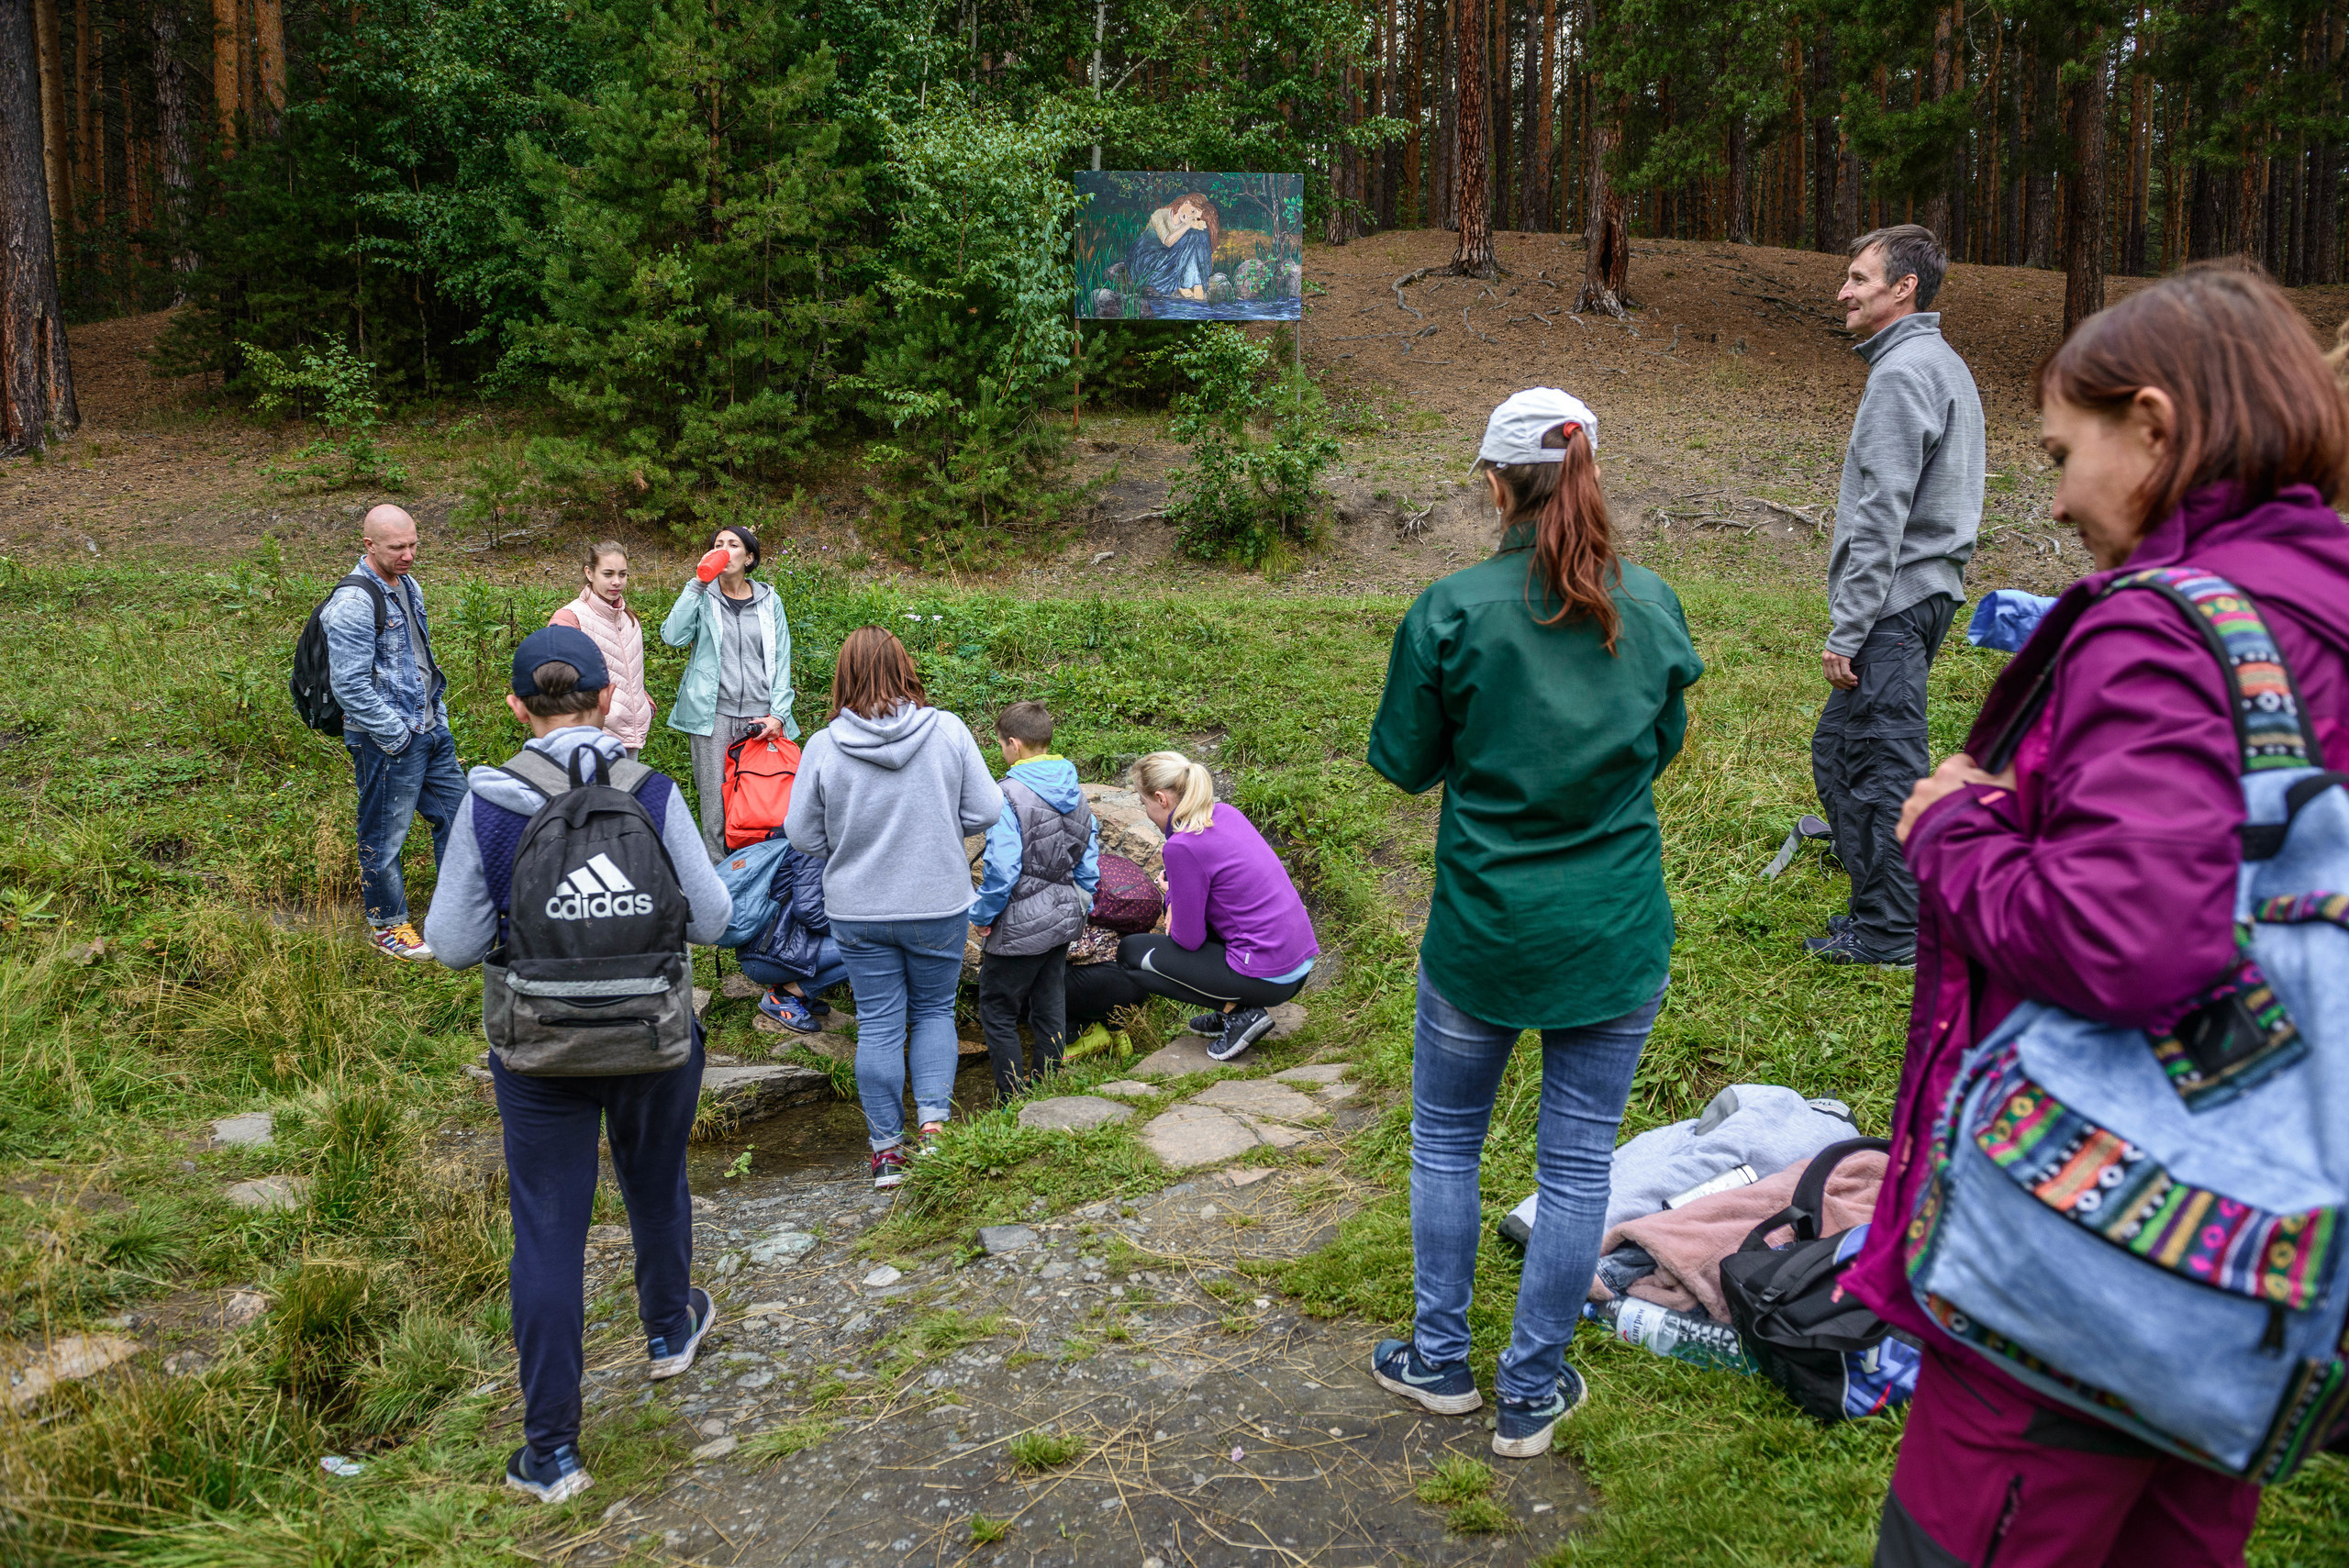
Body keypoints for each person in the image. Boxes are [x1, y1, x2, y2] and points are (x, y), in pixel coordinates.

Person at [1850, 265, 2349, 1568]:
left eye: (2069, 454)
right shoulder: (2331, 612)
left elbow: (2123, 934)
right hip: (2248, 1261)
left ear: (2159, 426)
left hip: (2083, 1268)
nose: (2062, 499)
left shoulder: (2167, 629)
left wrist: (1954, 823)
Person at [1364, 387, 1704, 1460]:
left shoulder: (1451, 607)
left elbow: (1407, 761)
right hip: (1610, 928)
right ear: (1590, 471)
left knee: (1447, 1143)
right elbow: (1660, 746)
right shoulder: (1650, 605)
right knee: (1575, 1168)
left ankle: (1435, 1358)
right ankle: (1531, 1390)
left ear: (1496, 484)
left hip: (1481, 935)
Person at [421, 626, 735, 1506]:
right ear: (606, 700)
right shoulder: (653, 790)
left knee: (548, 1231)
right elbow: (712, 922)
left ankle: (551, 1451)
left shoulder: (490, 801)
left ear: (518, 707)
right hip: (651, 1038)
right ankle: (670, 1331)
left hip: (540, 1051)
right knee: (654, 1178)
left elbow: (448, 944)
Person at [1809, 223, 1985, 968]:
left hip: (1893, 603)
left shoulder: (1904, 371)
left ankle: (1892, 932)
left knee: (1882, 765)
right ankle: (1879, 903)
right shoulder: (1937, 363)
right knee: (1839, 751)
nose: (1843, 292)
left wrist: (1848, 626)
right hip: (1922, 596)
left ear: (1902, 288)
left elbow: (1884, 510)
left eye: (1858, 278)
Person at [785, 628, 1004, 1189]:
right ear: (906, 668)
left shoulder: (823, 745)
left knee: (880, 1025)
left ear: (844, 676)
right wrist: (939, 826)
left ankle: (887, 1154)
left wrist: (849, 837)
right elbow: (985, 809)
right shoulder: (948, 730)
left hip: (859, 910)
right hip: (937, 903)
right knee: (932, 1012)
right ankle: (934, 1132)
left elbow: (802, 835)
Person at [322, 503, 467, 962]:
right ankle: (388, 924)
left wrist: (435, 719)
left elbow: (419, 661)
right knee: (385, 833)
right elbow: (348, 684)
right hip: (386, 739)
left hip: (428, 729)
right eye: (397, 547)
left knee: (459, 814)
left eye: (413, 545)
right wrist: (398, 735)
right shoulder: (352, 603)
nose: (408, 555)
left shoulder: (407, 586)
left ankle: (455, 912)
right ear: (369, 546)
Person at [1116, 752, 1318, 1063]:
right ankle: (1230, 1010)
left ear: (1161, 798)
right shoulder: (1225, 813)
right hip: (1297, 961)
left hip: (1270, 977)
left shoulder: (1181, 846)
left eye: (1145, 804)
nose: (1147, 812)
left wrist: (1171, 898)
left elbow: (1187, 939)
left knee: (1131, 954)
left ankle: (1238, 1013)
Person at [970, 701, 1100, 1101]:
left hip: (1019, 924)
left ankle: (1011, 1101)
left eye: (1001, 745)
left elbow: (1004, 868)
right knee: (1048, 1007)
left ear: (1013, 744)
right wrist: (1079, 903)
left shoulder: (1006, 794)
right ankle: (1045, 1092)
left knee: (997, 1010)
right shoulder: (1074, 789)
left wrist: (982, 913)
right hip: (1063, 919)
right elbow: (1090, 859)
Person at [662, 525, 797, 859]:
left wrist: (778, 715)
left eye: (732, 544)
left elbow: (782, 658)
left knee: (761, 807)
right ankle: (721, 893)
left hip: (760, 719)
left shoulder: (769, 600)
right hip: (713, 717)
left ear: (749, 557)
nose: (723, 549)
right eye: (717, 544)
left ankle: (762, 879)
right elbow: (672, 637)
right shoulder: (702, 596)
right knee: (715, 810)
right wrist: (696, 585)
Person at [550, 540, 655, 755]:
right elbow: (557, 683)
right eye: (608, 574)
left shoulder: (629, 620)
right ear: (589, 573)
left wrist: (646, 706)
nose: (617, 582)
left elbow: (631, 675)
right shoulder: (569, 618)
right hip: (590, 740)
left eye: (623, 574)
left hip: (630, 736)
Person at [1123, 195, 1219, 301]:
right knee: (1194, 233)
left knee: (1199, 234)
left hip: (1171, 260)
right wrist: (1189, 225)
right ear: (1186, 202)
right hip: (1150, 260)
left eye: (1195, 218)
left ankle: (1194, 284)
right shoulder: (1159, 215)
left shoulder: (1188, 224)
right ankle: (1190, 284)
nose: (1190, 218)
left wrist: (1200, 225)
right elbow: (1168, 242)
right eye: (1192, 211)